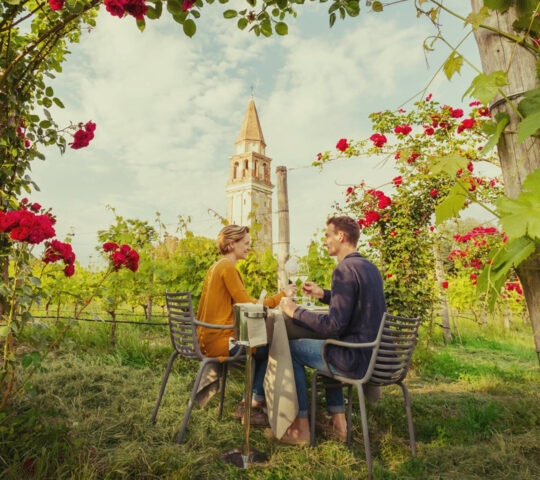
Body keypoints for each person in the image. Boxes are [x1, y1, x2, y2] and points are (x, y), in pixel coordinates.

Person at [279, 215, 387, 445]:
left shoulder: (344, 270)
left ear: (341, 236)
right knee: (328, 344)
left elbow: (334, 325)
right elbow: (354, 306)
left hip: (353, 360)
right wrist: (324, 295)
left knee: (291, 348)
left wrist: (294, 311)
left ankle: (301, 428)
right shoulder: (369, 267)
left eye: (327, 235)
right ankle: (339, 422)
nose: (325, 241)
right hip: (373, 357)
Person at [197, 224, 296, 425]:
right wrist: (282, 295)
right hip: (219, 341)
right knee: (269, 349)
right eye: (246, 243)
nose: (249, 247)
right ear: (232, 244)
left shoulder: (217, 266)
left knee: (260, 347)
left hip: (207, 337)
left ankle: (251, 402)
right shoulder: (227, 267)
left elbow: (242, 304)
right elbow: (249, 306)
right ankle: (251, 406)